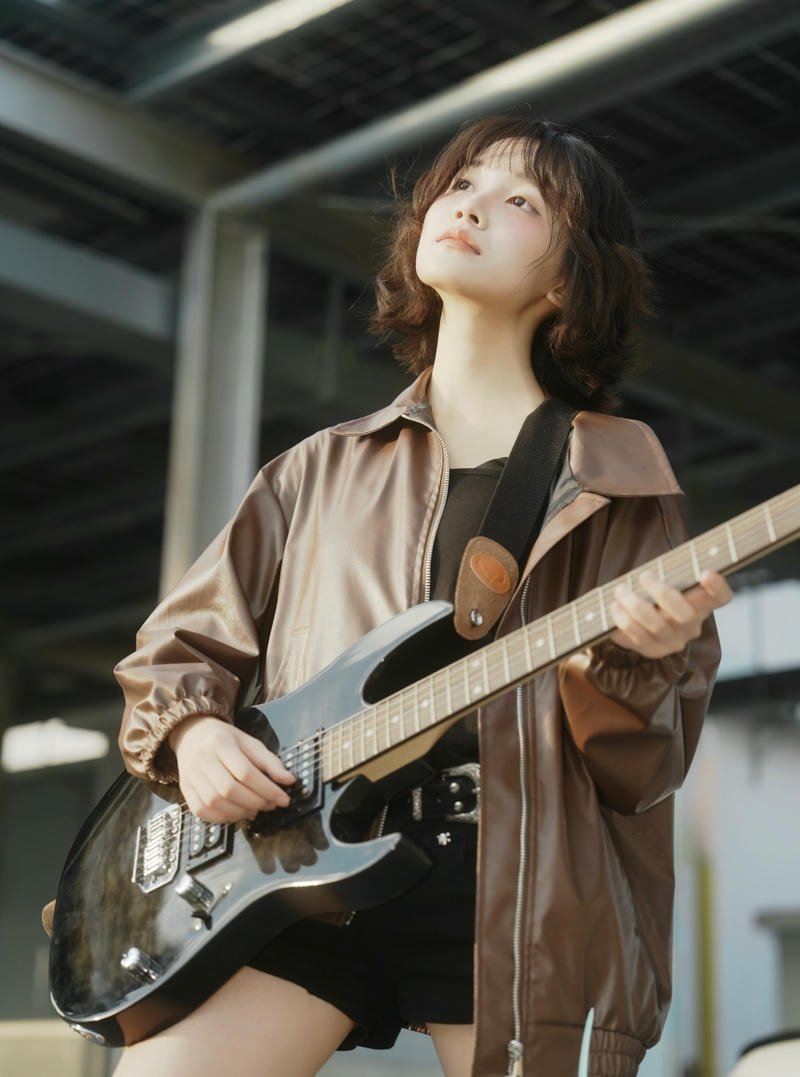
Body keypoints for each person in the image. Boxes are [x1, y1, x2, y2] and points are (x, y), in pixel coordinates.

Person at [112, 114, 730, 1077]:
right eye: (463, 184)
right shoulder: (316, 472)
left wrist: (637, 659)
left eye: (520, 200)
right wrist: (194, 736)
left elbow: (641, 772)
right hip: (299, 871)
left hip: (516, 895)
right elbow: (180, 653)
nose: (472, 204)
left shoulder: (623, 484)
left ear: (568, 277)